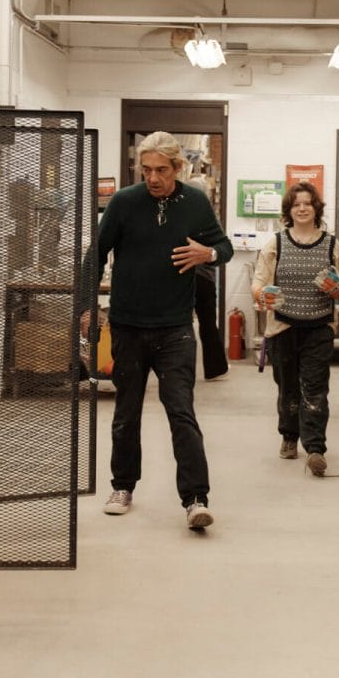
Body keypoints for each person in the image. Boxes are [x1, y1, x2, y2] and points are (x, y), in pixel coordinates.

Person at [82, 132, 233, 530]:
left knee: (181, 412)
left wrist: (209, 253)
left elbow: (225, 247)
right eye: (146, 169)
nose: (152, 177)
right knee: (125, 414)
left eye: (161, 170)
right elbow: (95, 255)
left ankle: (196, 499)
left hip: (176, 329)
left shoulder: (196, 203)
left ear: (177, 168)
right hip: (128, 326)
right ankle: (123, 487)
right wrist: (84, 306)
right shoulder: (124, 202)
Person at [251, 182, 339, 476]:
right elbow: (258, 283)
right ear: (289, 210)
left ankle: (316, 448)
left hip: (319, 327)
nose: (303, 208)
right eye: (297, 204)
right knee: (288, 388)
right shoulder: (276, 244)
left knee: (316, 388)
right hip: (283, 327)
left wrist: (337, 288)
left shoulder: (332, 245)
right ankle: (289, 436)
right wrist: (262, 295)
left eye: (308, 203)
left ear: (316, 208)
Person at [186, 173, 229, 380]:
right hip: (204, 277)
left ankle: (183, 370)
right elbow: (221, 246)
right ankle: (215, 368)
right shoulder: (210, 216)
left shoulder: (181, 214)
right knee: (208, 323)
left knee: (183, 324)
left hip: (186, 276)